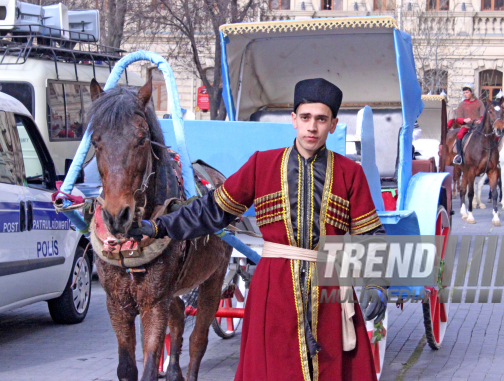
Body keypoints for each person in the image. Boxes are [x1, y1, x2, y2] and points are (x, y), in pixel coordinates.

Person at [129, 78, 385, 381]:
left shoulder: (350, 173)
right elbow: (212, 210)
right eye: (305, 117)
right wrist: (159, 227)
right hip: (273, 292)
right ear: (293, 120)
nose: (312, 127)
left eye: (321, 119)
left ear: (333, 124)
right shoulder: (262, 165)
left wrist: (376, 284)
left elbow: (371, 234)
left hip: (330, 289)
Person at [449, 82, 485, 165]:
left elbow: (483, 115)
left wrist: (480, 120)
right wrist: (464, 120)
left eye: (467, 92)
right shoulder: (462, 104)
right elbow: (458, 118)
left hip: (478, 127)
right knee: (459, 135)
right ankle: (459, 156)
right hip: (466, 127)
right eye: (464, 93)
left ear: (471, 92)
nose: (465, 94)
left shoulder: (479, 103)